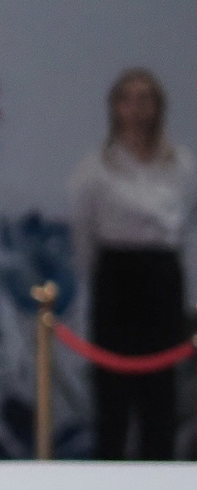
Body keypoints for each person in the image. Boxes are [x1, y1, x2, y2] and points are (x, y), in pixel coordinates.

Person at [69, 69, 191, 461]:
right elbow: (83, 231)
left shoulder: (182, 165)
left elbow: (187, 223)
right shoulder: (96, 167)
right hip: (118, 276)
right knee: (113, 393)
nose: (137, 109)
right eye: (128, 100)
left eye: (146, 100)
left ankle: (161, 480)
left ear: (159, 108)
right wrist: (102, 275)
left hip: (162, 276)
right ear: (115, 108)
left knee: (160, 392)